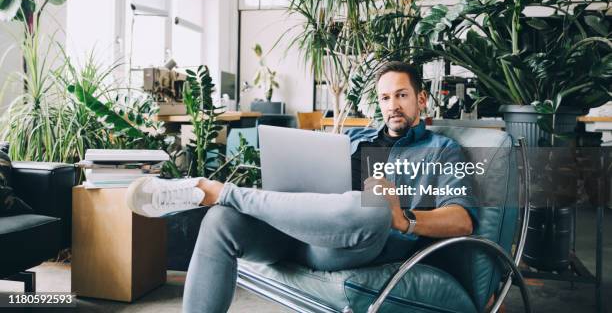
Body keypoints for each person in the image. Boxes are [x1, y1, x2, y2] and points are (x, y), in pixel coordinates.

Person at [126, 61, 477, 313]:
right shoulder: (354, 138)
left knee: (367, 208)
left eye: (402, 95)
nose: (393, 105)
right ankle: (222, 197)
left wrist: (403, 219)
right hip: (298, 231)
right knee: (221, 220)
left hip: (350, 244)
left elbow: (463, 220)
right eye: (385, 98)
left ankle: (223, 190)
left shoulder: (441, 150)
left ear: (422, 99)